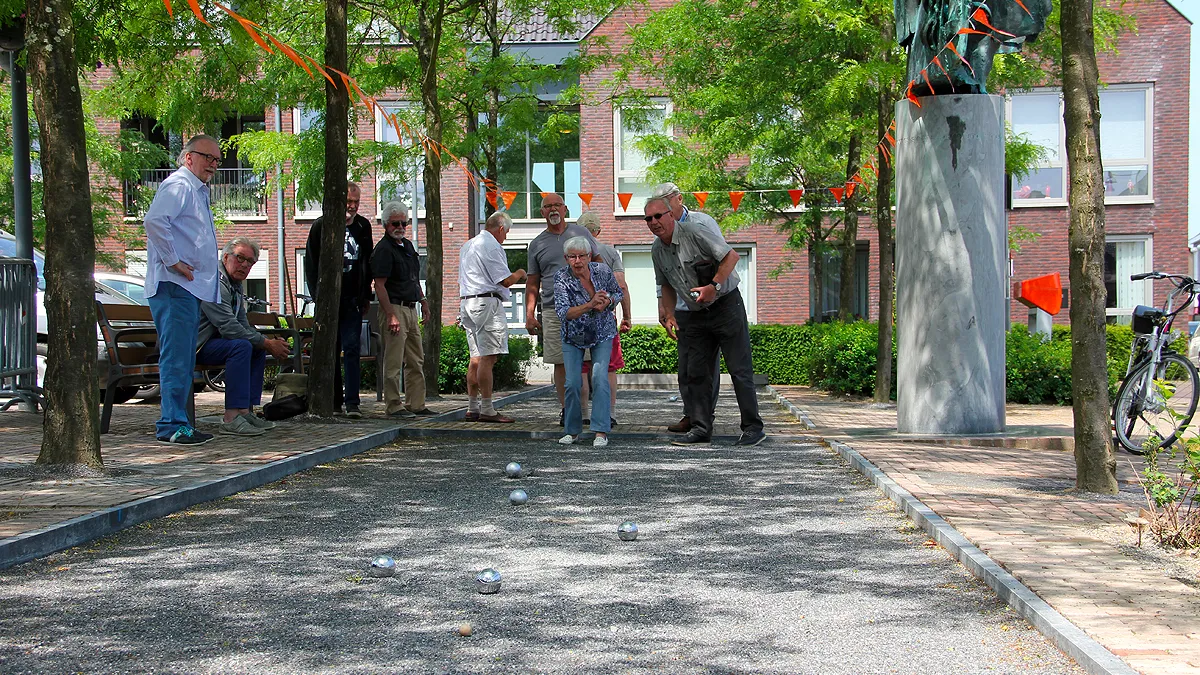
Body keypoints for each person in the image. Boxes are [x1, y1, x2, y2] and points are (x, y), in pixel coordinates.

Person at [645, 196, 766, 447]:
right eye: (648, 218)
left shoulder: (695, 231)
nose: (654, 222)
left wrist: (714, 285)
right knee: (696, 373)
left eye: (658, 216)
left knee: (739, 370)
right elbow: (665, 284)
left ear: (671, 215)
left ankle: (753, 428)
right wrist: (668, 314)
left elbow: (731, 257)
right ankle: (701, 428)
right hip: (693, 314)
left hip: (726, 305)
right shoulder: (657, 249)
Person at [143, 134, 222, 446]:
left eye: (217, 160)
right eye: (208, 158)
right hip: (174, 286)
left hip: (186, 288)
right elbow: (154, 221)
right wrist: (174, 261)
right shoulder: (179, 185)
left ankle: (181, 424)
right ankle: (171, 426)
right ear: (189, 157)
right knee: (177, 357)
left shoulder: (195, 189)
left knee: (184, 357)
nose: (214, 165)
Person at [196, 237, 293, 436]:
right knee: (242, 346)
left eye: (250, 262)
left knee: (254, 347)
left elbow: (241, 323)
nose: (245, 265)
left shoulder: (236, 285)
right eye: (240, 258)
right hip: (196, 346)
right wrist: (267, 342)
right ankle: (231, 418)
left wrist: (265, 343)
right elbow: (228, 327)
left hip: (215, 343)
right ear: (225, 257)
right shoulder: (213, 282)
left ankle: (245, 411)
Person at [651, 182, 722, 434]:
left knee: (706, 367)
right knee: (686, 367)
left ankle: (705, 417)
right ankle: (690, 414)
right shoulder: (660, 230)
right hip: (682, 307)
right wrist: (663, 306)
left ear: (679, 200)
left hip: (709, 305)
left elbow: (723, 258)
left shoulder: (703, 222)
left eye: (667, 204)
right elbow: (664, 274)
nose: (659, 214)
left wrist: (713, 289)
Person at [524, 193, 599, 425]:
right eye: (548, 206)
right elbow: (532, 282)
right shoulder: (536, 244)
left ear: (565, 209)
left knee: (583, 362)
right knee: (560, 363)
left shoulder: (581, 233)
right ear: (542, 213)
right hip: (552, 310)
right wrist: (529, 314)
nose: (553, 209)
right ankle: (568, 410)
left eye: (557, 205)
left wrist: (603, 298)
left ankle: (584, 412)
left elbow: (599, 264)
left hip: (585, 309)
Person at [304, 182, 373, 419]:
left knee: (352, 348)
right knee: (330, 350)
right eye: (348, 202)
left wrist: (366, 295)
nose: (352, 207)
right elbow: (311, 265)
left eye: (355, 202)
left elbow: (368, 261)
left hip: (353, 298)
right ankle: (333, 401)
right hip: (329, 301)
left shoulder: (363, 226)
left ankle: (352, 402)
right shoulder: (321, 226)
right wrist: (318, 298)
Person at [553, 236, 623, 447]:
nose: (577, 261)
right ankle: (572, 431)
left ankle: (601, 431)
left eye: (581, 256)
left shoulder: (602, 271)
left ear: (589, 256)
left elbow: (618, 292)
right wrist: (591, 304)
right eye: (572, 257)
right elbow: (563, 312)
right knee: (572, 382)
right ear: (566, 258)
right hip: (573, 335)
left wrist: (608, 301)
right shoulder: (561, 277)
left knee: (600, 377)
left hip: (602, 331)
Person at [458, 211, 526, 422]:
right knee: (489, 357)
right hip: (486, 303)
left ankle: (472, 407)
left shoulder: (468, 245)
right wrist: (521, 273)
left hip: (467, 302)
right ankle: (487, 409)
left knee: (476, 357)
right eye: (507, 232)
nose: (506, 237)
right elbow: (504, 281)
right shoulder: (491, 245)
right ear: (501, 228)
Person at [370, 202, 435, 419]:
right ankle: (393, 405)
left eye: (403, 223)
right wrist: (390, 314)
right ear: (386, 225)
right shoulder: (383, 250)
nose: (400, 227)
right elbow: (379, 285)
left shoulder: (407, 247)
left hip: (411, 308)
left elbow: (414, 279)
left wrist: (423, 301)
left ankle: (416, 403)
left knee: (416, 358)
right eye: (395, 223)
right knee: (394, 360)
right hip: (394, 307)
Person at [576, 212, 631, 426]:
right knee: (608, 367)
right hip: (605, 319)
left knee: (581, 367)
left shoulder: (573, 253)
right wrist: (626, 316)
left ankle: (582, 414)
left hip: (578, 318)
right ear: (598, 231)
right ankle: (609, 413)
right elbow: (622, 286)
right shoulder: (610, 252)